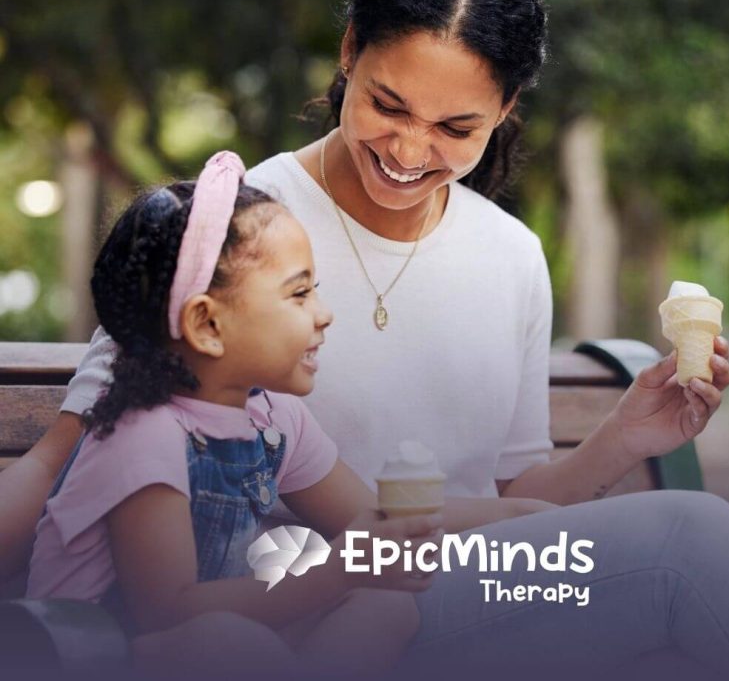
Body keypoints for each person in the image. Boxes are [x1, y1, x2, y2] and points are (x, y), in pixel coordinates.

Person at [1, 0, 729, 676]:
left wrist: (627, 437)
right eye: (388, 105)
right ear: (348, 54)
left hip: (450, 591)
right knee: (684, 546)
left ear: (507, 109)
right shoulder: (232, 234)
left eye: (454, 127)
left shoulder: (510, 256)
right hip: (286, 610)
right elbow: (67, 457)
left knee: (683, 551)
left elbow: (518, 498)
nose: (407, 151)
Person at [22, 152, 549, 677]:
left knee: (383, 606)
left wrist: (516, 515)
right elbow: (164, 611)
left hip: (212, 642)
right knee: (231, 638)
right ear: (207, 324)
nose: (323, 314)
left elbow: (366, 513)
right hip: (87, 652)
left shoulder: (273, 418)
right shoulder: (145, 436)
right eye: (299, 294)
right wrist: (338, 572)